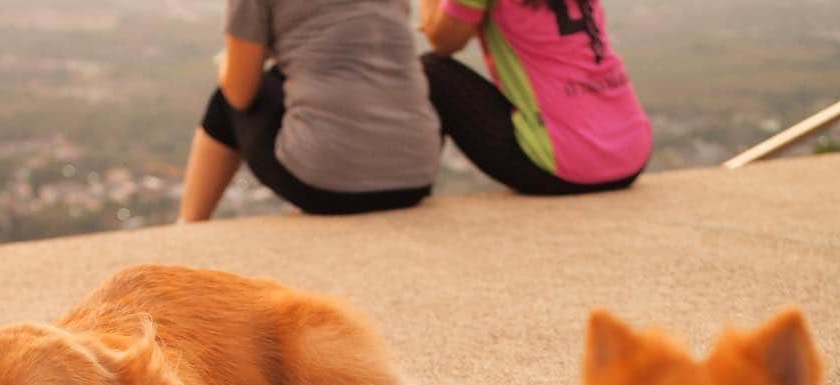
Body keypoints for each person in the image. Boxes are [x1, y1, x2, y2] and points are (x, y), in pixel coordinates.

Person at [179, 0, 442, 221]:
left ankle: (189, 225)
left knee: (226, 97)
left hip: (325, 191)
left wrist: (226, 63)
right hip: (416, 179)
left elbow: (239, 94)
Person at [420, 0, 651, 195]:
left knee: (430, 70)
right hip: (631, 152)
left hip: (559, 162)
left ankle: (413, 186)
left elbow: (443, 41)